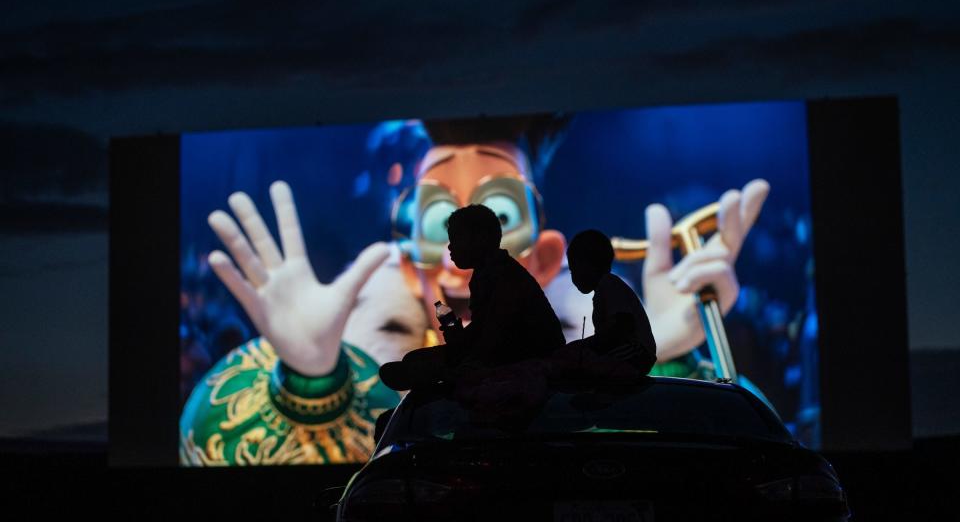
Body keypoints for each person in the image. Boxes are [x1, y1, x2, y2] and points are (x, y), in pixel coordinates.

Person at [180, 114, 769, 465]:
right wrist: (311, 378)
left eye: (497, 215)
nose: (455, 263)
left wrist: (658, 357)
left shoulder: (512, 292)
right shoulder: (449, 310)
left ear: (543, 254)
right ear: (410, 260)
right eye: (439, 223)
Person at [379, 204, 566, 391]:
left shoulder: (503, 276)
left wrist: (458, 357)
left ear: (480, 239)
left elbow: (496, 340)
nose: (450, 248)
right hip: (506, 354)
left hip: (528, 361)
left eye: (456, 239)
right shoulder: (487, 273)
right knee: (415, 361)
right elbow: (486, 330)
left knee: (418, 365)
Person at [566, 229, 657, 375]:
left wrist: (584, 346)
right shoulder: (606, 288)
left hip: (634, 355)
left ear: (588, 265)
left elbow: (621, 327)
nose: (573, 277)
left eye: (574, 270)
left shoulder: (608, 285)